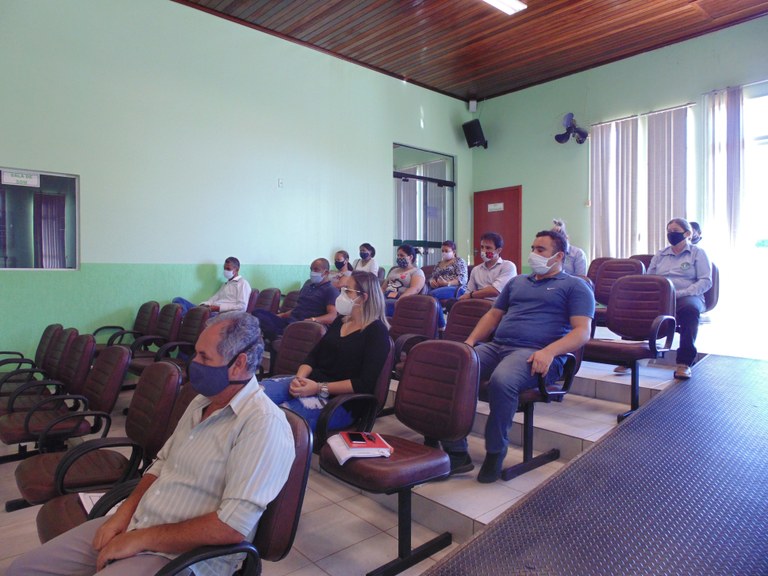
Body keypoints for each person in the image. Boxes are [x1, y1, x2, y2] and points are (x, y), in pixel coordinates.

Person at [7, 312, 295, 576]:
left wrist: (141, 540)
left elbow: (231, 526)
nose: (194, 363)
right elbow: (161, 464)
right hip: (141, 523)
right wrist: (123, 514)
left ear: (239, 364)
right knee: (21, 570)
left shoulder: (262, 425)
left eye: (204, 357)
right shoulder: (201, 402)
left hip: (185, 559)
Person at [441, 230, 594, 483]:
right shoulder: (517, 282)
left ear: (559, 256)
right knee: (455, 370)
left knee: (502, 381)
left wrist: (549, 351)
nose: (533, 254)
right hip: (497, 346)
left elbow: (582, 332)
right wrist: (470, 342)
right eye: (533, 248)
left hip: (538, 353)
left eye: (541, 250)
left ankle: (495, 452)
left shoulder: (575, 286)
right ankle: (457, 453)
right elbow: (492, 316)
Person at [261, 271, 390, 432]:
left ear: (363, 297)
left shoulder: (377, 332)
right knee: (255, 396)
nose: (341, 295)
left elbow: (364, 383)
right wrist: (299, 378)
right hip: (310, 383)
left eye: (347, 291)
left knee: (277, 419)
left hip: (341, 402)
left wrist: (318, 388)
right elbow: (313, 356)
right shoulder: (340, 321)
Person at [648, 217, 711, 380]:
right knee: (637, 306)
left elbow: (705, 280)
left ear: (687, 233)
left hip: (688, 295)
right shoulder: (661, 254)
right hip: (662, 295)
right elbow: (649, 277)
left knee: (690, 310)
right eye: (669, 231)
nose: (671, 234)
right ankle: (630, 358)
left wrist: (683, 293)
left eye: (675, 231)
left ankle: (684, 362)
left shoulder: (697, 253)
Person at [252, 258, 339, 342]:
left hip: (305, 326)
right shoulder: (307, 287)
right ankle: (277, 335)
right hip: (289, 321)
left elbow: (332, 316)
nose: (312, 272)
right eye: (311, 269)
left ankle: (277, 335)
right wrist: (282, 315)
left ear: (326, 272)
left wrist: (313, 320)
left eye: (316, 269)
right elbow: (299, 308)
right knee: (257, 313)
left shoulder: (330, 290)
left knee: (266, 326)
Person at [173, 256, 251, 315]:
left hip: (220, 315)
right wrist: (205, 304)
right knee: (178, 300)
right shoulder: (225, 284)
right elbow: (213, 299)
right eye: (224, 268)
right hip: (210, 310)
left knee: (196, 314)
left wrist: (218, 308)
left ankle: (188, 317)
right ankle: (187, 317)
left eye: (228, 269)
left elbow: (242, 307)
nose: (225, 271)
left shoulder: (243, 283)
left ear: (236, 269)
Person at [457, 232, 517, 302]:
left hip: (499, 306)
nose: (483, 251)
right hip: (478, 304)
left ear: (498, 250)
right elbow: (468, 293)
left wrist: (472, 295)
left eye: (488, 248)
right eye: (482, 247)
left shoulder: (508, 266)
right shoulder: (476, 270)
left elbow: (495, 291)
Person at [382, 244, 426, 316]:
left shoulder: (417, 272)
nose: (399, 258)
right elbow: (384, 287)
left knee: (382, 305)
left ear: (410, 257)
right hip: (386, 296)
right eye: (398, 255)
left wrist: (401, 299)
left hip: (400, 299)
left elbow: (415, 289)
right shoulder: (394, 270)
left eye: (402, 255)